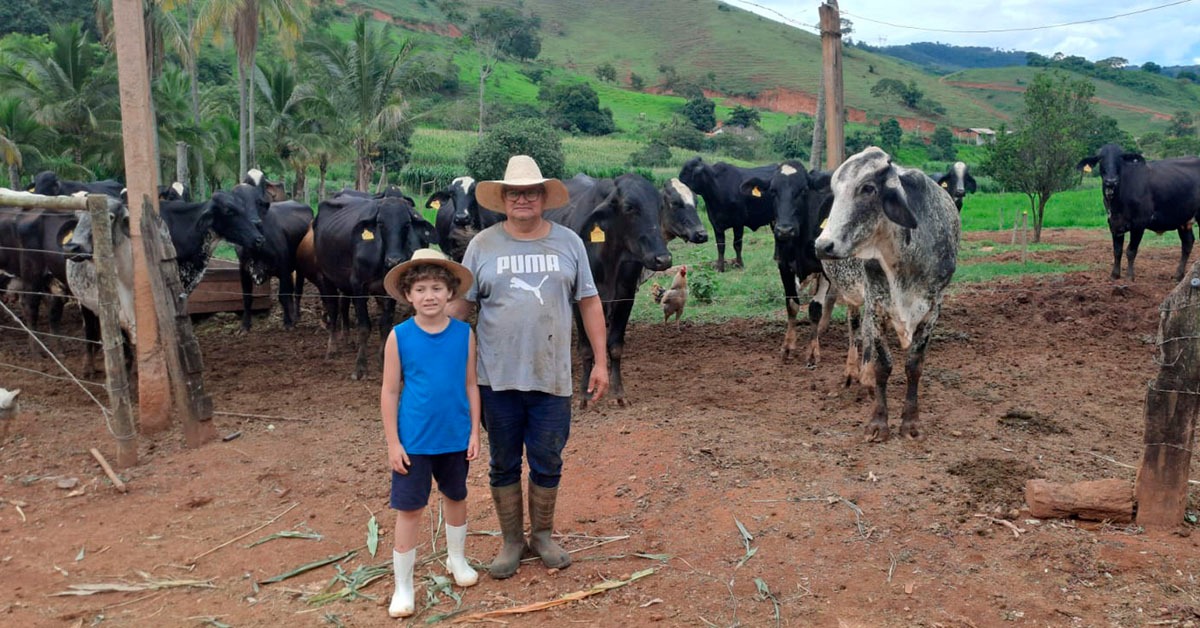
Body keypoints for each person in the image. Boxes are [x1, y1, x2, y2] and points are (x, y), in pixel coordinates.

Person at [457, 154, 609, 579]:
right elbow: (462, 308)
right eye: (514, 193)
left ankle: (541, 534)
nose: (522, 199)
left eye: (530, 192)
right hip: (495, 378)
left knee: (547, 458)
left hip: (551, 376)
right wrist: (426, 336)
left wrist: (600, 362)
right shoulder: (482, 245)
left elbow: (589, 301)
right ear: (503, 198)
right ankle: (511, 541)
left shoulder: (569, 243)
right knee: (503, 461)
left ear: (543, 197)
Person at [380, 248, 481, 618]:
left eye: (437, 288)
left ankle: (457, 558)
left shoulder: (464, 334)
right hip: (414, 442)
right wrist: (394, 442)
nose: (429, 296)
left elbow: (471, 385)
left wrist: (474, 431)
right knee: (410, 508)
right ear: (408, 294)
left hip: (454, 435)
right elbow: (390, 391)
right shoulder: (399, 336)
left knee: (456, 495)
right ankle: (403, 585)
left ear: (450, 292)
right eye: (420, 289)